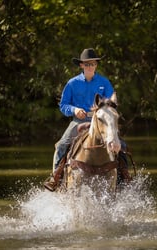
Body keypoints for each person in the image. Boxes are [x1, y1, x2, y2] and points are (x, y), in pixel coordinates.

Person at [44, 48, 131, 191]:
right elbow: (63, 105)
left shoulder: (104, 82)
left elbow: (110, 102)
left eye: (93, 64)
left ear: (96, 65)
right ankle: (56, 178)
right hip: (78, 121)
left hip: (101, 120)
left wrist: (109, 104)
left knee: (122, 145)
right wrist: (74, 110)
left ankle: (124, 178)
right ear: (81, 65)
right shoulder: (72, 83)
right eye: (87, 64)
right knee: (61, 145)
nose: (90, 66)